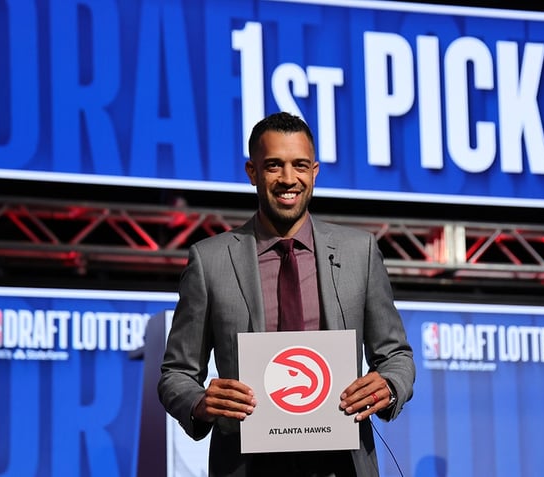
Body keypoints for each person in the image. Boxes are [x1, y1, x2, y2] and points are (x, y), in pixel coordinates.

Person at [157, 111, 415, 476]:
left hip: (342, 463)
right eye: (274, 166)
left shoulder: (360, 252)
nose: (288, 179)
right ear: (252, 173)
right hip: (246, 464)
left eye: (300, 165)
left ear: (315, 172)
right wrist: (200, 402)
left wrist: (387, 385)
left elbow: (397, 356)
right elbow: (176, 373)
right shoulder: (210, 261)